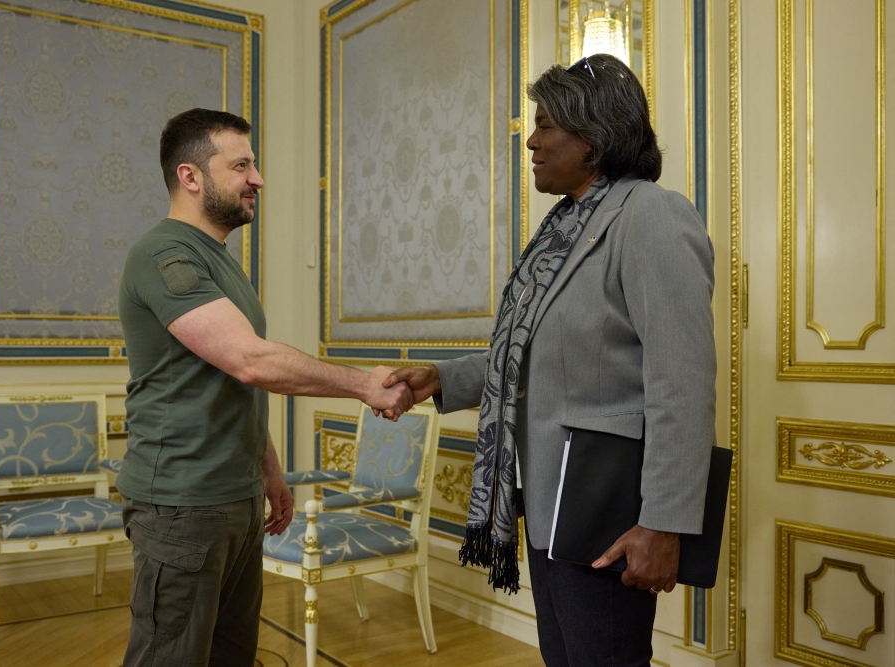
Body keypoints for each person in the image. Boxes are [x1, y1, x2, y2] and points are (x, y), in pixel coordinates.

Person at [384, 55, 716, 666]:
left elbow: (683, 385)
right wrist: (441, 377)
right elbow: (534, 352)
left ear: (593, 136)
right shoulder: (566, 226)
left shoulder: (650, 216)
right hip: (548, 499)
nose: (532, 141)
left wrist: (663, 525)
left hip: (610, 513)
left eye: (544, 125)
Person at [116, 108, 412, 667]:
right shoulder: (163, 254)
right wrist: (363, 386)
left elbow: (231, 381)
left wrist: (267, 467)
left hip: (234, 495)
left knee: (233, 656)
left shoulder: (220, 262)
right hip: (182, 502)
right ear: (190, 177)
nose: (257, 178)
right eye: (242, 165)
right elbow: (251, 361)